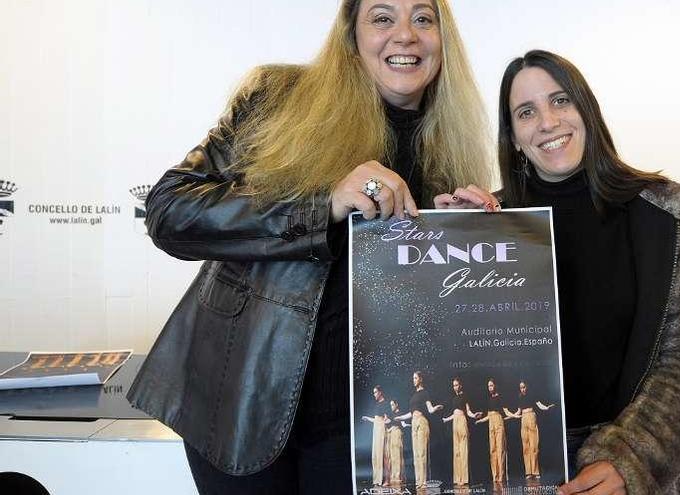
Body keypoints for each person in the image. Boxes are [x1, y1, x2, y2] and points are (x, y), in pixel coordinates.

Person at [125, 1, 498, 493]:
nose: (404, 35)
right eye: (382, 17)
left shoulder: (451, 153)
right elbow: (169, 211)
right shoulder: (276, 98)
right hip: (240, 406)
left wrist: (464, 242)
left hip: (364, 427)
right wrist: (322, 206)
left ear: (442, 39)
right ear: (351, 35)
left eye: (423, 18)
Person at [494, 50, 680, 495]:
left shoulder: (664, 214)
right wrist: (447, 237)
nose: (547, 121)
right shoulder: (488, 223)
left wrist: (631, 460)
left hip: (627, 474)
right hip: (521, 474)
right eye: (527, 112)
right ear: (515, 137)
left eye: (561, 101)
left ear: (587, 110)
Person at [394, 371, 444, 488]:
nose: (414, 380)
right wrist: (400, 417)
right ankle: (419, 482)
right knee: (416, 454)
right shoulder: (413, 397)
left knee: (422, 453)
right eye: (413, 378)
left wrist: (437, 408)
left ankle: (424, 481)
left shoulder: (425, 393)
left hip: (422, 422)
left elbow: (430, 409)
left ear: (420, 379)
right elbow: (410, 414)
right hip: (414, 422)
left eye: (415, 378)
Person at [508, 380, 555, 480]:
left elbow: (539, 405)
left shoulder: (532, 395)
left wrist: (546, 408)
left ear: (527, 387)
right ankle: (528, 472)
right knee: (525, 447)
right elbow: (519, 411)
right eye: (521, 387)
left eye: (524, 387)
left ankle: (535, 471)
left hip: (531, 417)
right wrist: (511, 415)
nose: (523, 389)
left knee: (534, 445)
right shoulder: (519, 397)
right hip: (523, 418)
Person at [441, 377, 483, 486]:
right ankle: (458, 478)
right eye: (453, 385)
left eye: (456, 385)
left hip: (462, 421)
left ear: (460, 385)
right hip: (455, 422)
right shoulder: (454, 398)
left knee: (463, 450)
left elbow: (468, 411)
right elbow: (454, 413)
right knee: (457, 451)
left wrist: (474, 415)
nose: (455, 387)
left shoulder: (465, 396)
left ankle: (464, 478)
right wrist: (446, 419)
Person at [475, 377, 516, 484]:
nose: (490, 388)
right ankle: (495, 476)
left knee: (500, 449)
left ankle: (501, 476)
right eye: (488, 386)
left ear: (495, 386)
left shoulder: (501, 397)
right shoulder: (489, 399)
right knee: (492, 450)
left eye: (491, 385)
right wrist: (480, 420)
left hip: (498, 421)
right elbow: (488, 415)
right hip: (491, 423)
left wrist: (515, 415)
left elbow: (506, 412)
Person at [361, 385, 390, 486]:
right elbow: (376, 419)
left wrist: (385, 423)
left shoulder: (385, 403)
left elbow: (386, 418)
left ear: (380, 392)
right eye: (373, 392)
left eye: (375, 392)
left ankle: (387, 479)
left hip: (381, 429)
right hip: (376, 429)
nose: (374, 394)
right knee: (376, 455)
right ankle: (377, 479)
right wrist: (367, 418)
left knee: (383, 455)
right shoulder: (377, 404)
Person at [385, 399, 409, 485]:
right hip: (391, 435)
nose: (391, 407)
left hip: (397, 433)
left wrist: (408, 425)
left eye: (392, 405)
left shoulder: (400, 413)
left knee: (398, 455)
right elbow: (388, 423)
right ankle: (393, 476)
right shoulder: (391, 415)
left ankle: (398, 476)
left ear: (396, 404)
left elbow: (403, 424)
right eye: (390, 405)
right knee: (392, 456)